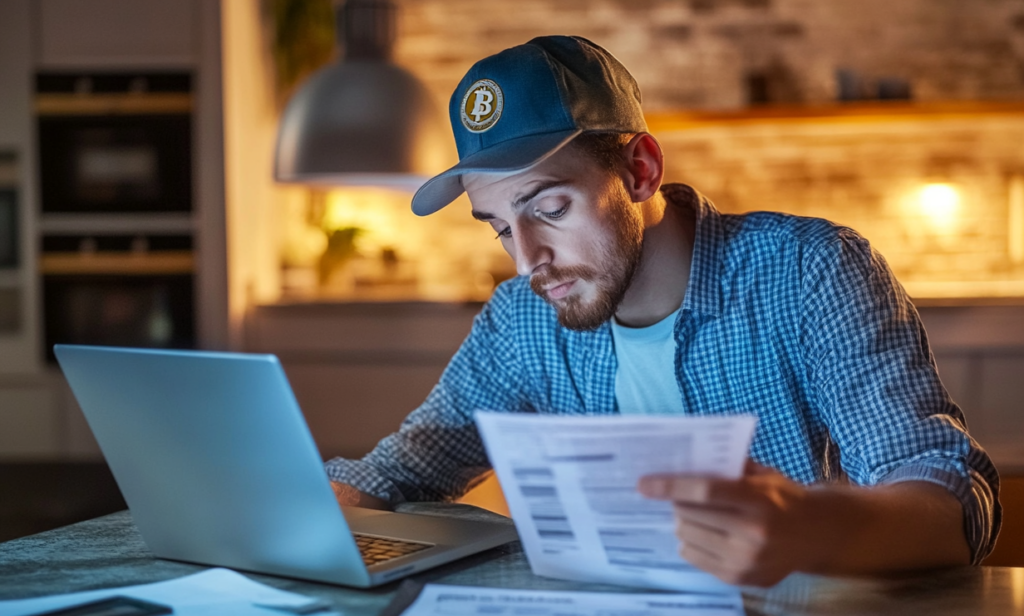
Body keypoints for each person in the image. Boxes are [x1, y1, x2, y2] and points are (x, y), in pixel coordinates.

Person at [325, 35, 1000, 587]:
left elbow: (952, 509)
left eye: (550, 208)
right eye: (500, 226)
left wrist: (804, 526)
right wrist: (318, 506)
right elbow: (396, 472)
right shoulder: (519, 319)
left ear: (641, 170)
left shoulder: (809, 271)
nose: (528, 258)